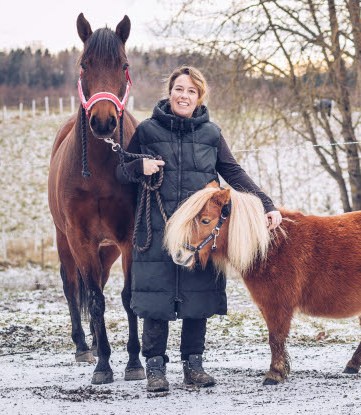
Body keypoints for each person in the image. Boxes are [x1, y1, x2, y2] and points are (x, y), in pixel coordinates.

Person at [115, 66, 282, 392]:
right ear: (169, 92)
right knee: (156, 298)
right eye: (179, 89)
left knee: (197, 296)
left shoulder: (211, 134)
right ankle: (155, 368)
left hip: (201, 232)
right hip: (157, 226)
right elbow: (122, 170)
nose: (183, 96)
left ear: (199, 96)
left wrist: (266, 203)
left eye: (191, 91)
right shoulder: (148, 131)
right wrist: (139, 165)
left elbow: (233, 172)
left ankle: (193, 364)